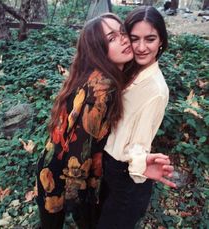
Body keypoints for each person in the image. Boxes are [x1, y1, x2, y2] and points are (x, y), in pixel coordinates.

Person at [36, 13, 137, 229]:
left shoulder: (95, 75)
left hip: (52, 163)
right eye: (111, 38)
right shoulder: (102, 88)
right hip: (60, 173)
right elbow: (79, 150)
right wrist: (79, 198)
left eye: (121, 32)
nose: (123, 39)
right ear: (98, 49)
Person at [97, 6, 176, 229]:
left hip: (127, 181)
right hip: (108, 168)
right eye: (134, 38)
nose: (141, 47)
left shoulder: (156, 90)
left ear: (161, 41)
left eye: (150, 39)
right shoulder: (128, 70)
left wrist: (139, 166)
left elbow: (140, 143)